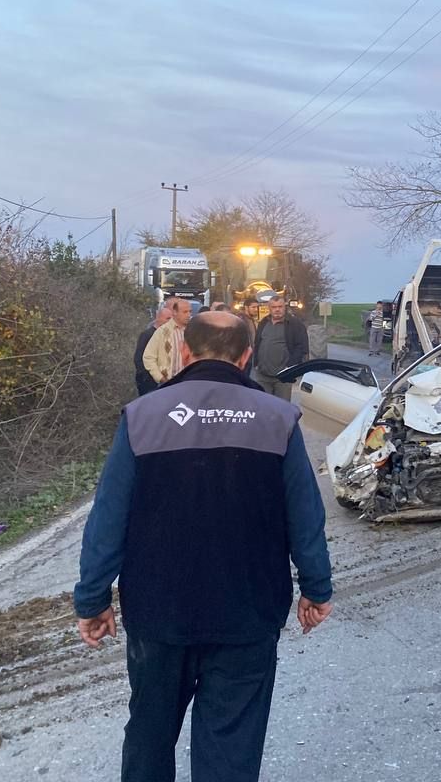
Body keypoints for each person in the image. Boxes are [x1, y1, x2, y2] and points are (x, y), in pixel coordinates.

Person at [74, 310, 333, 781]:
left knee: (150, 735)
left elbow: (109, 515)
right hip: (248, 613)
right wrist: (316, 588)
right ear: (248, 357)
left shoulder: (143, 417)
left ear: (185, 352)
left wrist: (92, 599)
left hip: (159, 613)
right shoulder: (278, 419)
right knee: (230, 747)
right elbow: (305, 514)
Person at [252, 295, 309, 400]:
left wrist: (290, 367)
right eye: (274, 307)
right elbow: (257, 343)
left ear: (285, 307)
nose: (277, 309)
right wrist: (256, 363)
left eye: (280, 306)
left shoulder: (294, 324)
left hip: (283, 378)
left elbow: (301, 347)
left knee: (282, 408)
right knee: (264, 407)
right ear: (269, 308)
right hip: (263, 376)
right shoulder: (264, 322)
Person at [142, 296, 192, 386]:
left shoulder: (192, 331)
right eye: (185, 312)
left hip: (186, 383)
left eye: (190, 311)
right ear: (175, 312)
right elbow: (148, 357)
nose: (188, 315)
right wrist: (161, 378)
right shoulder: (162, 332)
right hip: (167, 382)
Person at [133, 305, 172, 396]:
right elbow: (139, 358)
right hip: (149, 382)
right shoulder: (147, 335)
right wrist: (146, 376)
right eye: (167, 318)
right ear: (158, 318)